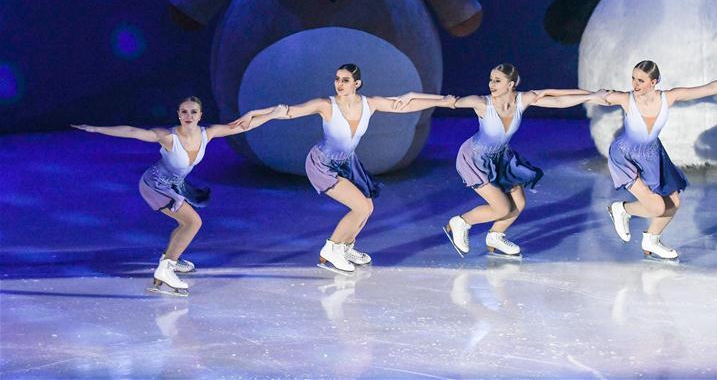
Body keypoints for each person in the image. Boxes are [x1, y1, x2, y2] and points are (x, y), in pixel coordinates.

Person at [231, 64, 455, 274]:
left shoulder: (371, 103)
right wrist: (256, 115)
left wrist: (443, 101)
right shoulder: (326, 105)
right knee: (359, 207)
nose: (339, 83)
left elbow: (406, 104)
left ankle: (346, 247)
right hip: (322, 164)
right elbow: (287, 111)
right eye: (337, 79)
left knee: (367, 206)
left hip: (347, 163)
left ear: (357, 83)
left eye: (345, 80)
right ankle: (331, 250)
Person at [72, 96, 285, 295]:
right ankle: (165, 272)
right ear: (179, 115)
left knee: (186, 224)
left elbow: (243, 125)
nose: (189, 116)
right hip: (153, 185)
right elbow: (131, 131)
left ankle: (169, 260)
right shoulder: (168, 137)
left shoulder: (207, 133)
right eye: (184, 112)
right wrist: (95, 128)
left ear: (200, 115)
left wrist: (272, 115)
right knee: (193, 222)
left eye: (193, 112)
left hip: (173, 186)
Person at [398, 63, 609, 259]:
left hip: (501, 157)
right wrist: (412, 95)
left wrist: (592, 96)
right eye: (491, 80)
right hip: (475, 158)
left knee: (519, 203)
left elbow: (559, 100)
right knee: (501, 208)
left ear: (511, 83)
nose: (492, 85)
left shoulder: (522, 99)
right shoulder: (481, 103)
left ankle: (495, 236)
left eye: (497, 80)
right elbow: (446, 100)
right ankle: (460, 222)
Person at [601, 60, 717, 260]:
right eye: (633, 79)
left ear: (654, 82)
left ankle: (651, 240)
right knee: (657, 206)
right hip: (630, 153)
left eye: (641, 80)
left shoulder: (669, 97)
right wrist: (554, 98)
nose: (635, 84)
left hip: (654, 154)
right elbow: (589, 97)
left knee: (673, 201)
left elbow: (711, 88)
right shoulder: (630, 99)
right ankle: (621, 209)